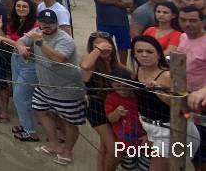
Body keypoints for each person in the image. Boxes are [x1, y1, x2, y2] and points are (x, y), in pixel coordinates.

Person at [16, 9, 86, 166]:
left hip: (67, 89)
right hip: (44, 86)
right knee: (39, 110)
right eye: (43, 22)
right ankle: (54, 144)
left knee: (70, 122)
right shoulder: (36, 32)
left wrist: (40, 42)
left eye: (51, 23)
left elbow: (58, 58)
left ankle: (68, 151)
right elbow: (21, 41)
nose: (46, 25)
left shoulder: (65, 39)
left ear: (57, 23)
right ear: (39, 22)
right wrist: (21, 47)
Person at [133, 35, 201, 170]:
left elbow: (184, 109)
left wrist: (159, 92)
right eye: (139, 51)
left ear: (159, 55)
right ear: (134, 54)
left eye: (149, 51)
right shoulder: (138, 70)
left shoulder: (167, 76)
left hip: (172, 130)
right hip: (151, 129)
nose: (144, 55)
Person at [0, 0, 39, 141]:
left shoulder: (36, 25)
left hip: (30, 62)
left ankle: (31, 132)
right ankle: (25, 125)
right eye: (18, 6)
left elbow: (27, 48)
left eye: (25, 6)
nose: (21, 9)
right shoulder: (14, 21)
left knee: (21, 96)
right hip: (16, 58)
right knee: (20, 95)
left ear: (31, 9)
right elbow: (6, 41)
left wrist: (4, 39)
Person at [80, 32, 122, 171]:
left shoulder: (113, 63)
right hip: (97, 109)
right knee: (115, 150)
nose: (103, 47)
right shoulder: (91, 63)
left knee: (105, 146)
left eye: (106, 44)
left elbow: (131, 75)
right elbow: (85, 65)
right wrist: (99, 49)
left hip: (113, 108)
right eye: (97, 45)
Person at [105, 67, 148, 171]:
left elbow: (147, 116)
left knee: (145, 165)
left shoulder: (137, 96)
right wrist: (116, 113)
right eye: (118, 86)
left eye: (126, 85)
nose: (122, 89)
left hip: (142, 139)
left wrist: (147, 135)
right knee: (129, 166)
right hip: (124, 143)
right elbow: (110, 119)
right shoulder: (111, 98)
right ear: (111, 85)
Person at [93, 0, 133, 65]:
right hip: (104, 23)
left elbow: (129, 3)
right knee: (103, 46)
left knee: (123, 47)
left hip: (122, 23)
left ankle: (123, 66)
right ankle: (106, 65)